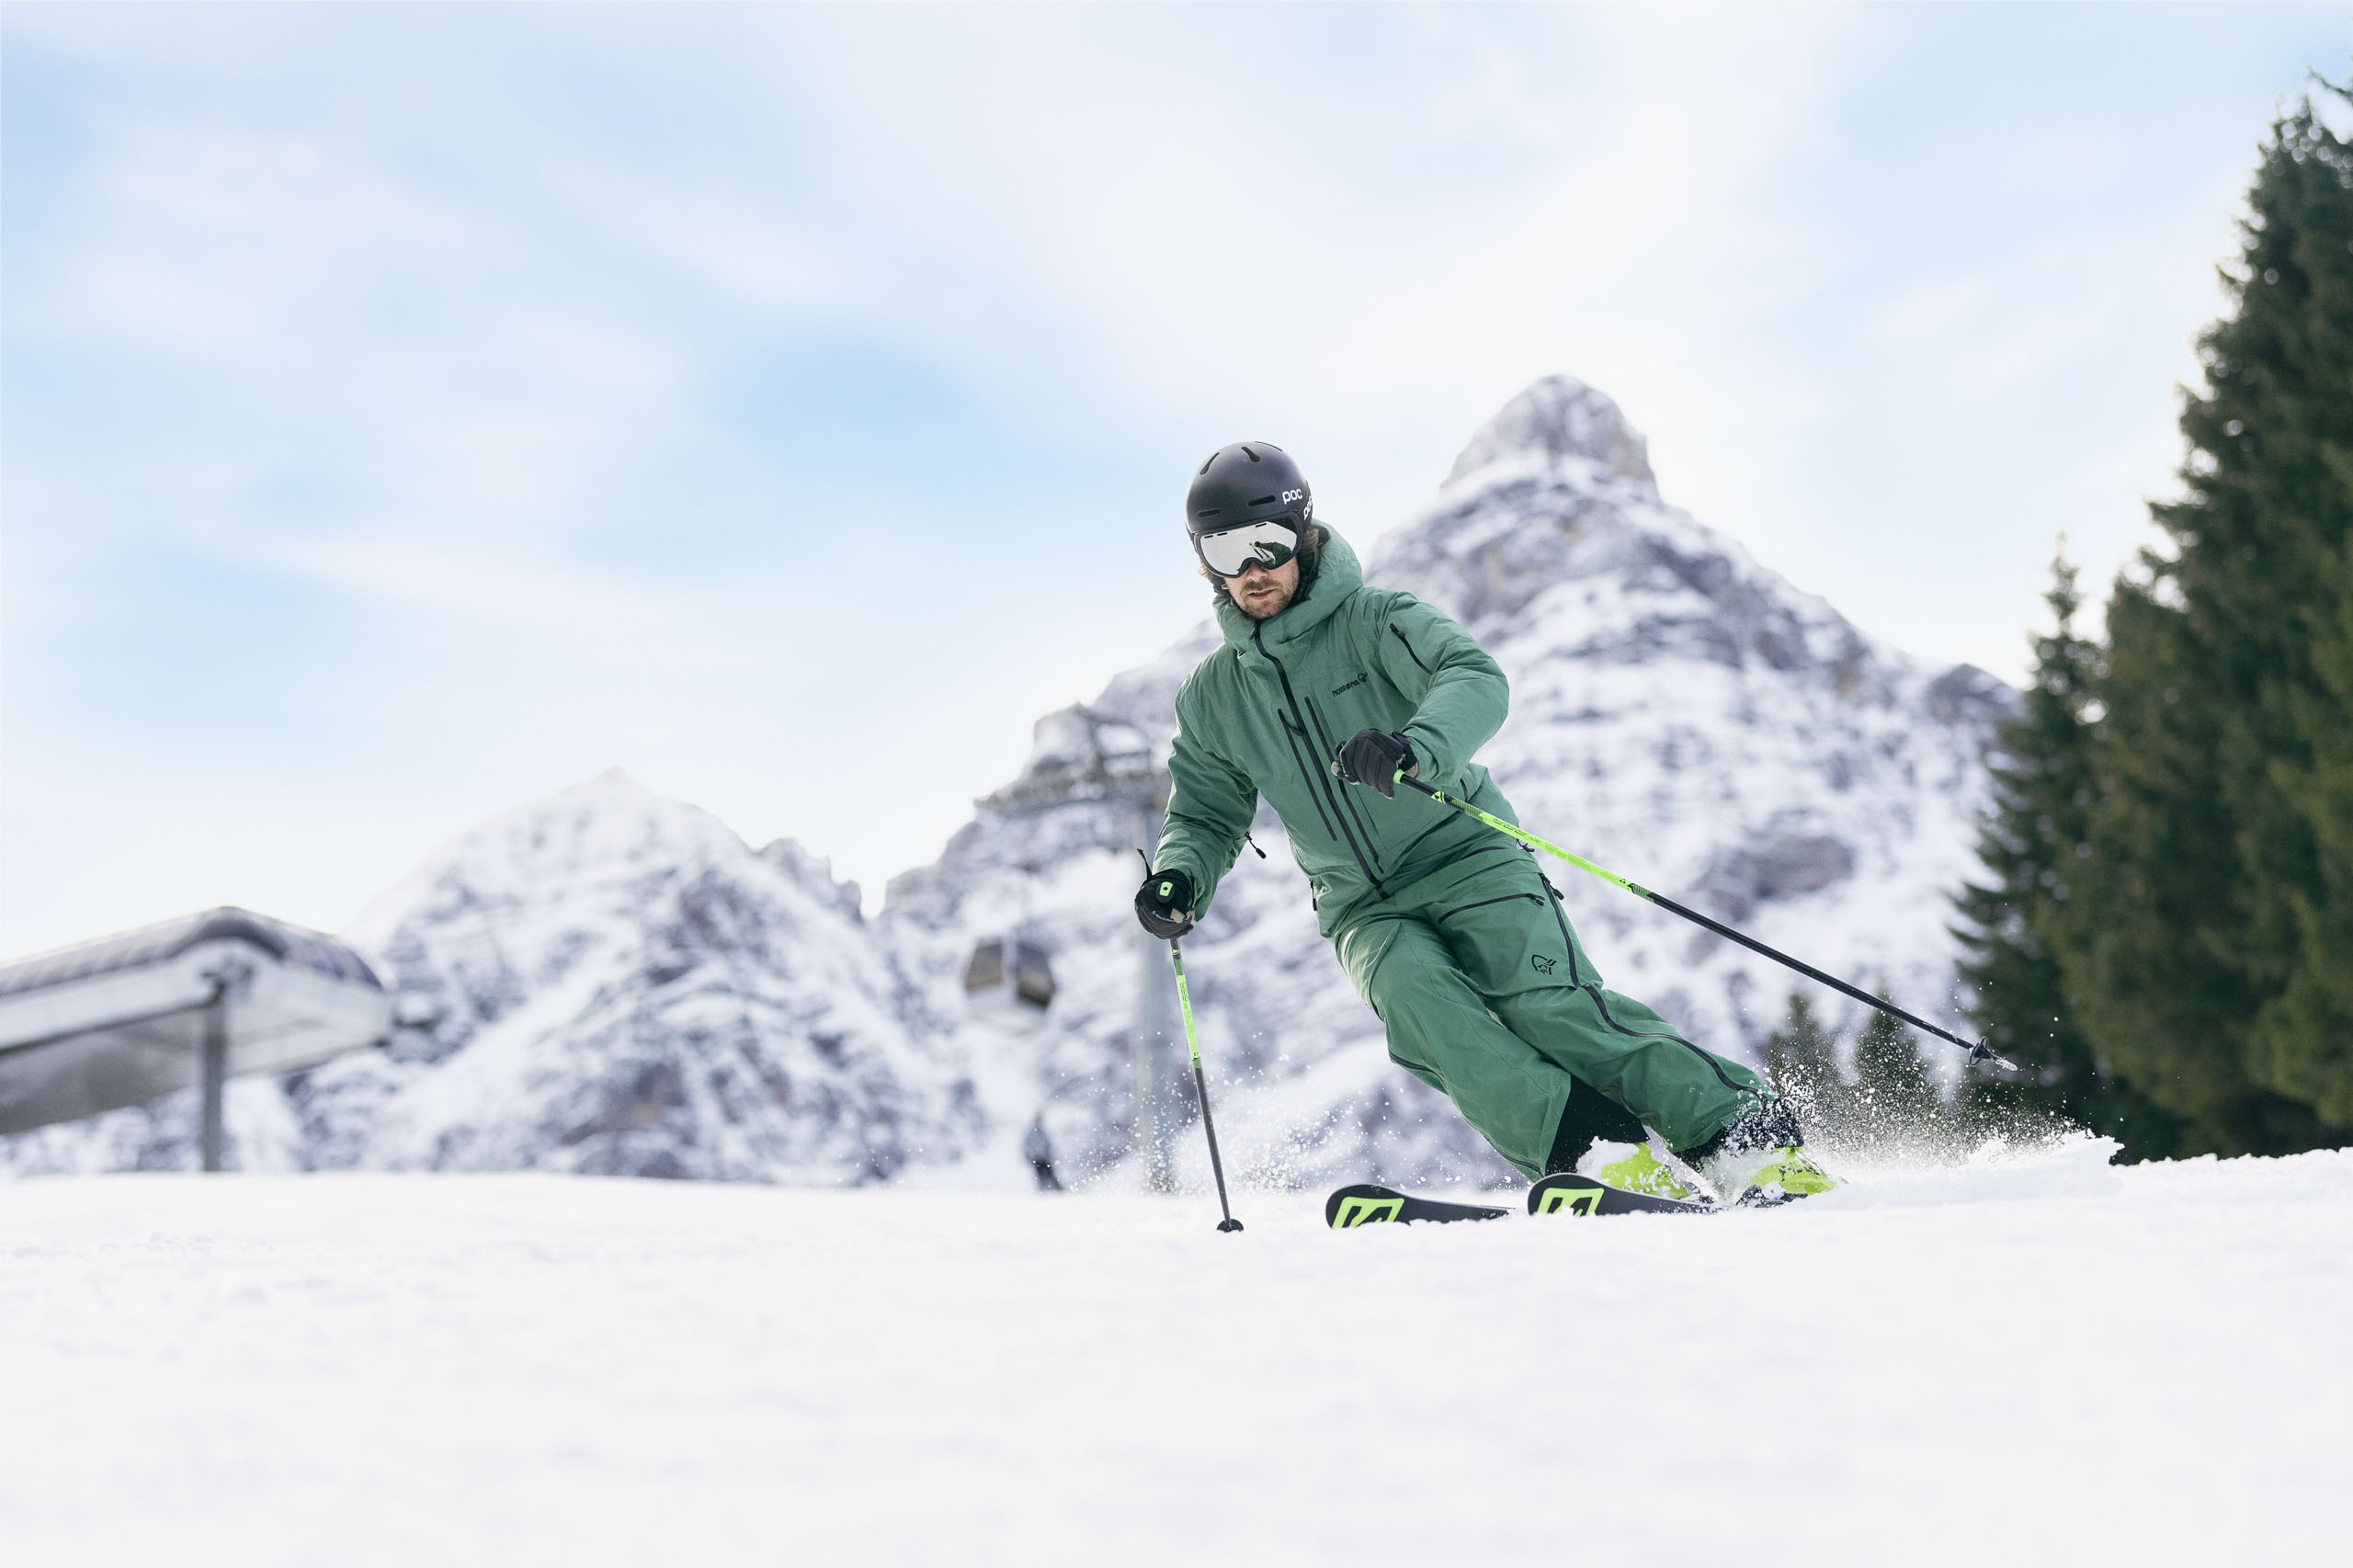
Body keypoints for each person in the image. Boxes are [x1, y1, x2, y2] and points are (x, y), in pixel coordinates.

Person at [1132, 441, 1835, 1204]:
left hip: (1469, 856)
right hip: (1362, 908)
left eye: (1266, 544)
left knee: (1552, 1007)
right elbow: (1205, 811)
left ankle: (1746, 1139)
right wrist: (1181, 876)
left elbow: (1473, 675)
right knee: (1437, 1024)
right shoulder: (1213, 697)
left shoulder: (1377, 620)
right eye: (1226, 552)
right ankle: (1598, 1156)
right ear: (1205, 563)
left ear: (1302, 536)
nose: (1252, 570)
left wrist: (1415, 746)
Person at [1023, 1113, 1063, 1192]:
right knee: (1040, 1176)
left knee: (1050, 1174)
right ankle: (1043, 1191)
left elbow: (1049, 1145)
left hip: (1045, 1159)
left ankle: (1057, 1190)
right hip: (1036, 1159)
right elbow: (1027, 1146)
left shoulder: (1043, 1132)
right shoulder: (1031, 1133)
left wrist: (1050, 1155)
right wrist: (1030, 1157)